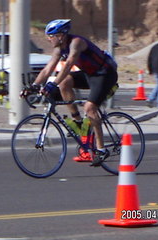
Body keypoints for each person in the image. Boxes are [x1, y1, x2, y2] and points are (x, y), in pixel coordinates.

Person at [32, 19, 118, 165]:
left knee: (90, 108)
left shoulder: (76, 43)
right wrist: (33, 85)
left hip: (105, 74)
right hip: (89, 74)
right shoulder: (59, 49)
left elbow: (69, 64)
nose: (48, 39)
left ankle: (101, 149)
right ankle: (78, 121)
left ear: (61, 35)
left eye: (51, 35)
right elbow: (47, 69)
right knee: (65, 83)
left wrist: (53, 84)